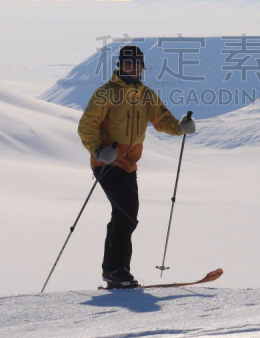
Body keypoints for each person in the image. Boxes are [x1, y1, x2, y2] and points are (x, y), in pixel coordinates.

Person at [78, 44, 196, 288]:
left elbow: (162, 120)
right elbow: (87, 125)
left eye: (138, 64)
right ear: (120, 65)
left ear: (142, 66)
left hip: (130, 164)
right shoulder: (107, 93)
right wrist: (100, 150)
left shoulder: (146, 94)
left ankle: (116, 271)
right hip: (107, 162)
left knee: (126, 216)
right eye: (129, 63)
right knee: (125, 214)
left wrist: (180, 126)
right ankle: (115, 270)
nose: (134, 68)